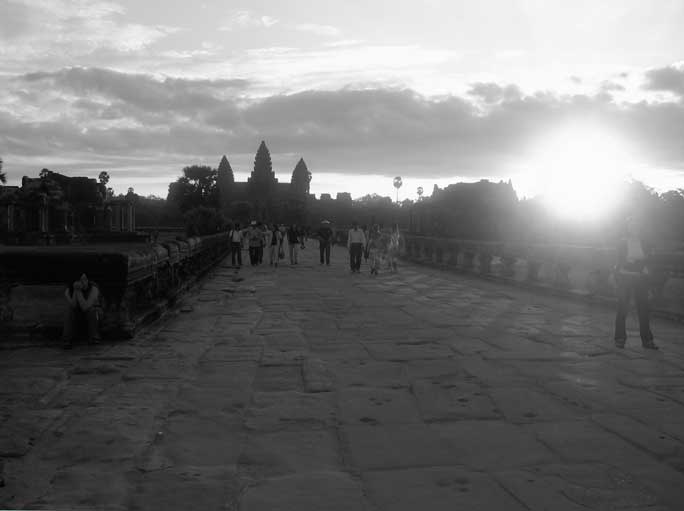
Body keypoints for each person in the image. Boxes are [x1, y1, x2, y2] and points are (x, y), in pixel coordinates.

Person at [613, 217, 657, 350]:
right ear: (628, 228)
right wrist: (637, 264)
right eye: (631, 226)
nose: (634, 229)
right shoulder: (622, 242)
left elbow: (649, 258)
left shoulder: (644, 242)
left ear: (639, 229)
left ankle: (647, 340)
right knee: (622, 309)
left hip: (640, 278)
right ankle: (620, 338)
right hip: (625, 278)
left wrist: (635, 264)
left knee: (644, 310)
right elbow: (621, 261)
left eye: (636, 226)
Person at [62, 273, 102, 348]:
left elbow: (85, 307)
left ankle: (94, 337)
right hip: (77, 316)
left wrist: (79, 292)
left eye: (85, 279)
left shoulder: (93, 289)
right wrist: (76, 291)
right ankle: (67, 339)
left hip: (93, 317)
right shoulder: (68, 291)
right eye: (81, 280)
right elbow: (73, 305)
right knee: (69, 310)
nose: (84, 282)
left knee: (91, 310)